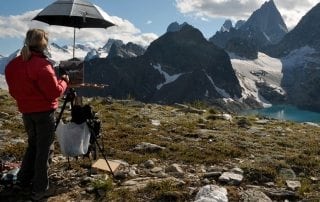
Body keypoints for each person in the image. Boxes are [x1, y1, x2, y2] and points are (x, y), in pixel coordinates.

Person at [5, 28, 69, 201]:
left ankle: (22, 181)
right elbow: (54, 92)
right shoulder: (43, 66)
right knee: (44, 149)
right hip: (44, 113)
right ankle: (40, 188)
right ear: (44, 44)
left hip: (26, 112)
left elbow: (13, 91)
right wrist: (64, 81)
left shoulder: (13, 64)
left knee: (33, 145)